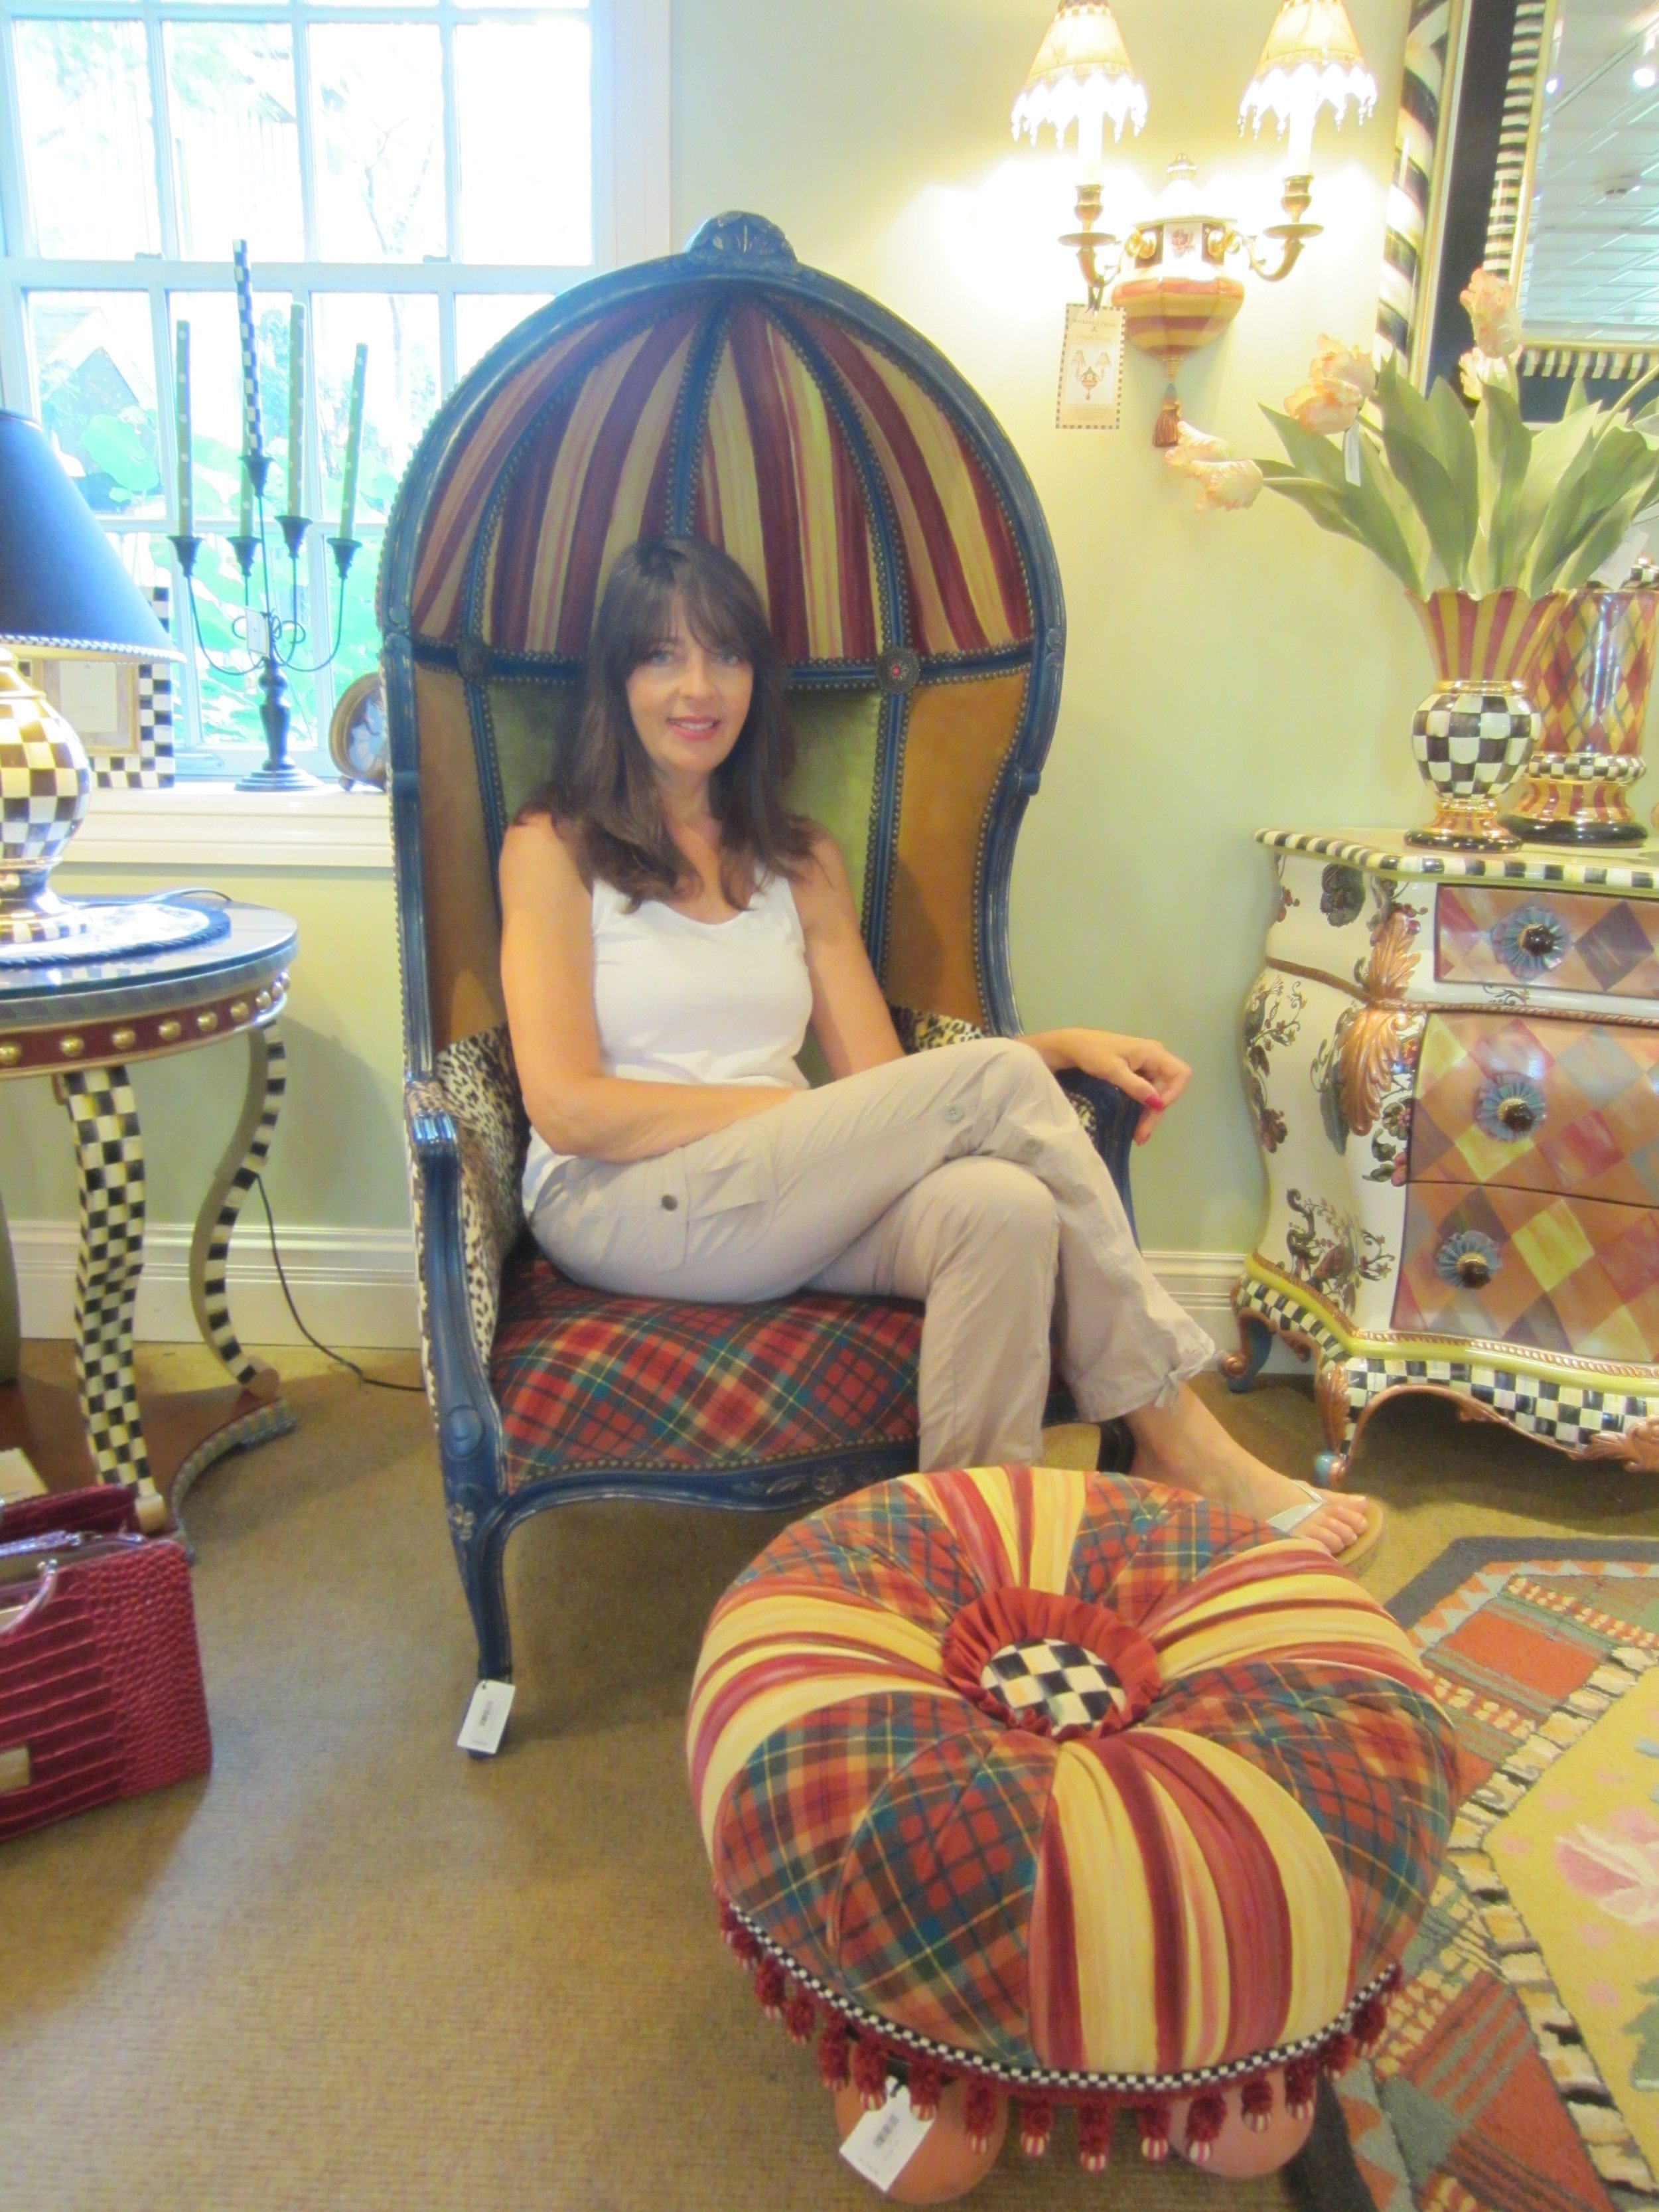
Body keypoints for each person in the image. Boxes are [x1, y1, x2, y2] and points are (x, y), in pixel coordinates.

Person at [498, 538, 1376, 1562]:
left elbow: (886, 1091)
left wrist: (1049, 1049)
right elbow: (568, 1108)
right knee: (992, 1101)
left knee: (1000, 1211)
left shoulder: (796, 857)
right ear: (616, 680)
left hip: (776, 1191)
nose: (698, 687)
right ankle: (1173, 1424)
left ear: (756, 679)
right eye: (661, 656)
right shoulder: (554, 846)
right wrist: (789, 1117)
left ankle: (971, 1550)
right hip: (619, 1200)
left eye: (726, 656)